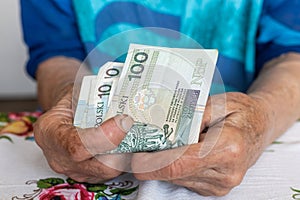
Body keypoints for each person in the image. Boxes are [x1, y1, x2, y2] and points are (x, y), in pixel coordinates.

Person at [20, 0, 300, 196]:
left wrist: (260, 118)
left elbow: (291, 55)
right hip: (98, 151)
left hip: (236, 142)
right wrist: (70, 101)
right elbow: (56, 53)